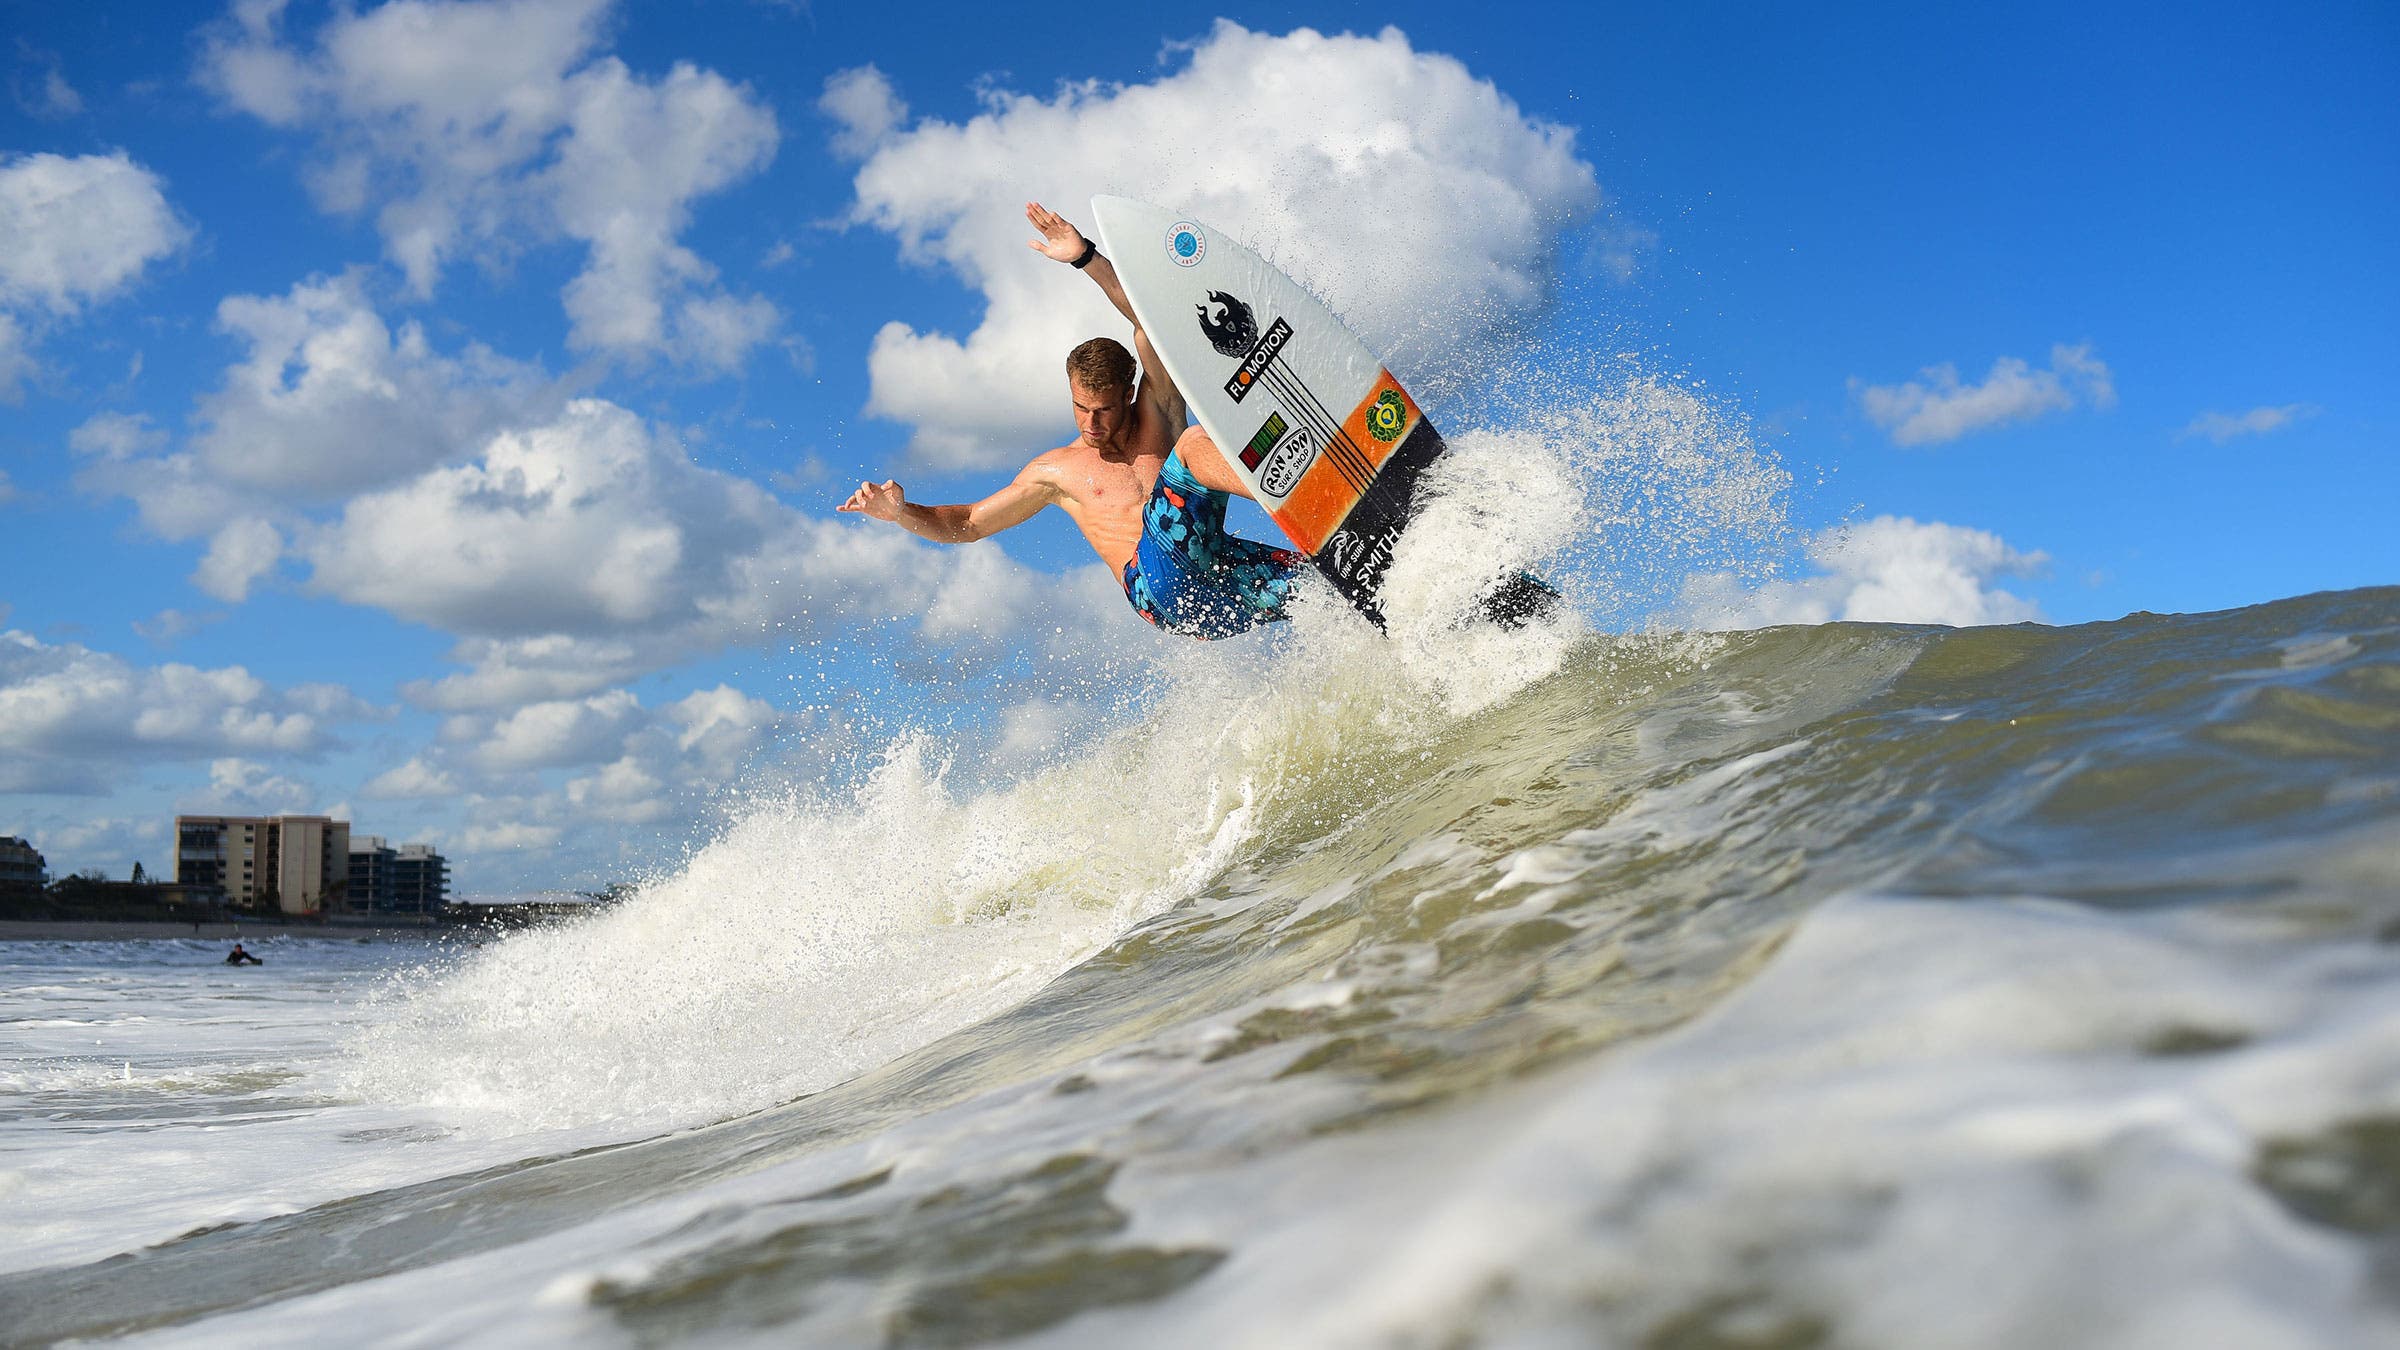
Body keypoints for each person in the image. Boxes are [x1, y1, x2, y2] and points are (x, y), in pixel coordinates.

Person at [838, 201, 1305, 640]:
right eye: (1081, 408)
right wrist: (900, 513)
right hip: (1157, 591)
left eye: (1103, 409)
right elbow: (969, 523)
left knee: (1322, 583)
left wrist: (1086, 258)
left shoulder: (1158, 412)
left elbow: (1154, 326)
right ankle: (1302, 491)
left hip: (1213, 574)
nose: (1092, 423)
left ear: (1129, 394)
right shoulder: (1056, 471)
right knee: (1192, 445)